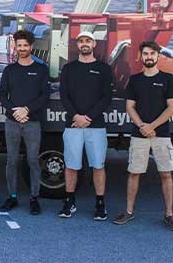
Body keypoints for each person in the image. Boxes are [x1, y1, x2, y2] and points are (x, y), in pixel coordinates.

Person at [113, 41, 173, 231]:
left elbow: (172, 107)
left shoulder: (168, 79)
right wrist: (142, 126)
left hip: (161, 134)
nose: (149, 57)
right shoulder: (134, 80)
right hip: (139, 134)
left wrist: (152, 126)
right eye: (145, 54)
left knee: (166, 174)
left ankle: (169, 214)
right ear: (141, 56)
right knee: (134, 173)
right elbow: (129, 107)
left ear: (158, 56)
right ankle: (128, 211)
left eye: (152, 53)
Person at [58, 31, 113, 220]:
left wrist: (88, 117)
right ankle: (69, 201)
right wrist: (76, 116)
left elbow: (107, 97)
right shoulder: (68, 68)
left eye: (88, 40)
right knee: (71, 165)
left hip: (95, 125)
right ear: (77, 45)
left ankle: (100, 203)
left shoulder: (104, 69)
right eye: (81, 41)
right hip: (73, 125)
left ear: (94, 44)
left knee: (98, 165)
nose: (84, 44)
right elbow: (64, 96)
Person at [0, 30, 50, 215]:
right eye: (19, 45)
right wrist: (15, 111)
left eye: (25, 45)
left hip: (32, 122)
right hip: (12, 122)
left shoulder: (41, 69)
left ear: (31, 46)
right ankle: (12, 197)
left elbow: (45, 96)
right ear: (15, 46)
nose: (22, 48)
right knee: (11, 161)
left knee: (32, 161)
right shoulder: (9, 70)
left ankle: (34, 198)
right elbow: (2, 95)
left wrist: (26, 110)